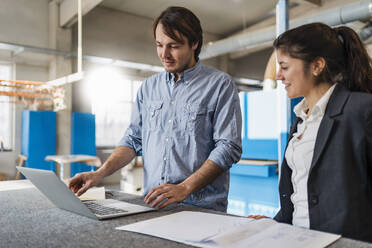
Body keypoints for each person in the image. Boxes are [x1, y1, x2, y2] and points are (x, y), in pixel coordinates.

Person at [69, 6, 242, 212]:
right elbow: (133, 139)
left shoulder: (219, 85)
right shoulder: (149, 88)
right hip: (153, 204)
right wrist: (99, 173)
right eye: (159, 45)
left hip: (201, 207)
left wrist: (184, 188)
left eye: (174, 46)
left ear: (194, 43)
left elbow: (228, 147)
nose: (164, 54)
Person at [273, 22, 372, 242]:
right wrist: (275, 224)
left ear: (317, 66)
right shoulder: (301, 118)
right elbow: (300, 191)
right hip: (299, 239)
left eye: (285, 66)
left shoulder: (361, 110)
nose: (278, 76)